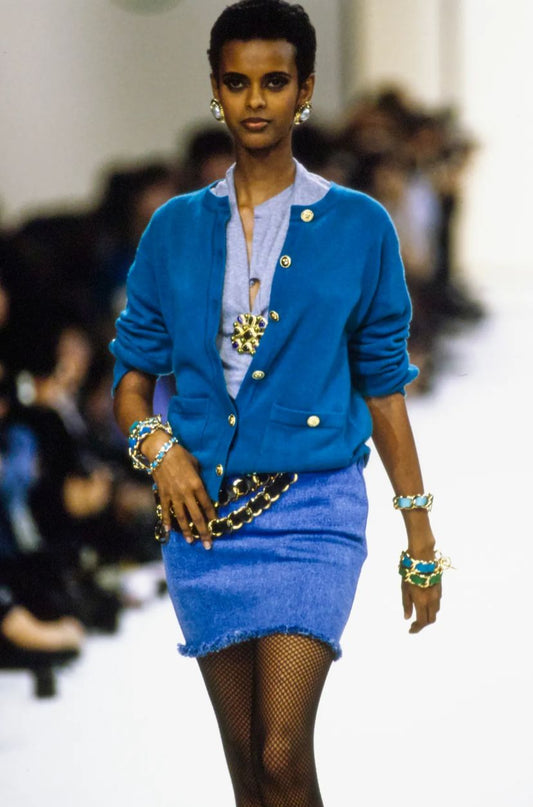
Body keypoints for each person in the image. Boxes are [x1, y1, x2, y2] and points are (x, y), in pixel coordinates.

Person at [110, 2, 449, 805]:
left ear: (305, 89)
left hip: (314, 511)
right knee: (246, 767)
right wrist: (161, 453)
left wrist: (418, 534)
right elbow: (130, 383)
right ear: (215, 90)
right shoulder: (172, 230)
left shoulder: (359, 226)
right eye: (237, 82)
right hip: (202, 521)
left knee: (280, 751)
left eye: (273, 82)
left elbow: (383, 388)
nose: (255, 100)